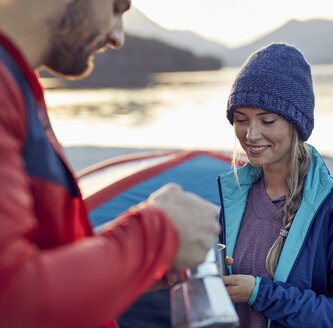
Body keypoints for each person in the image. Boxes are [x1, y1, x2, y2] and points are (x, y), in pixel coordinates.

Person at [0, 1, 220, 327]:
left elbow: (36, 257)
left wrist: (133, 265)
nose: (117, 36)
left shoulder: (18, 84)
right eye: (116, 7)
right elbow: (12, 300)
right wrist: (160, 232)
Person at [218, 43, 333, 327]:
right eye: (241, 120)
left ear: (296, 125)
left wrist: (259, 293)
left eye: (267, 120)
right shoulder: (235, 197)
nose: (251, 134)